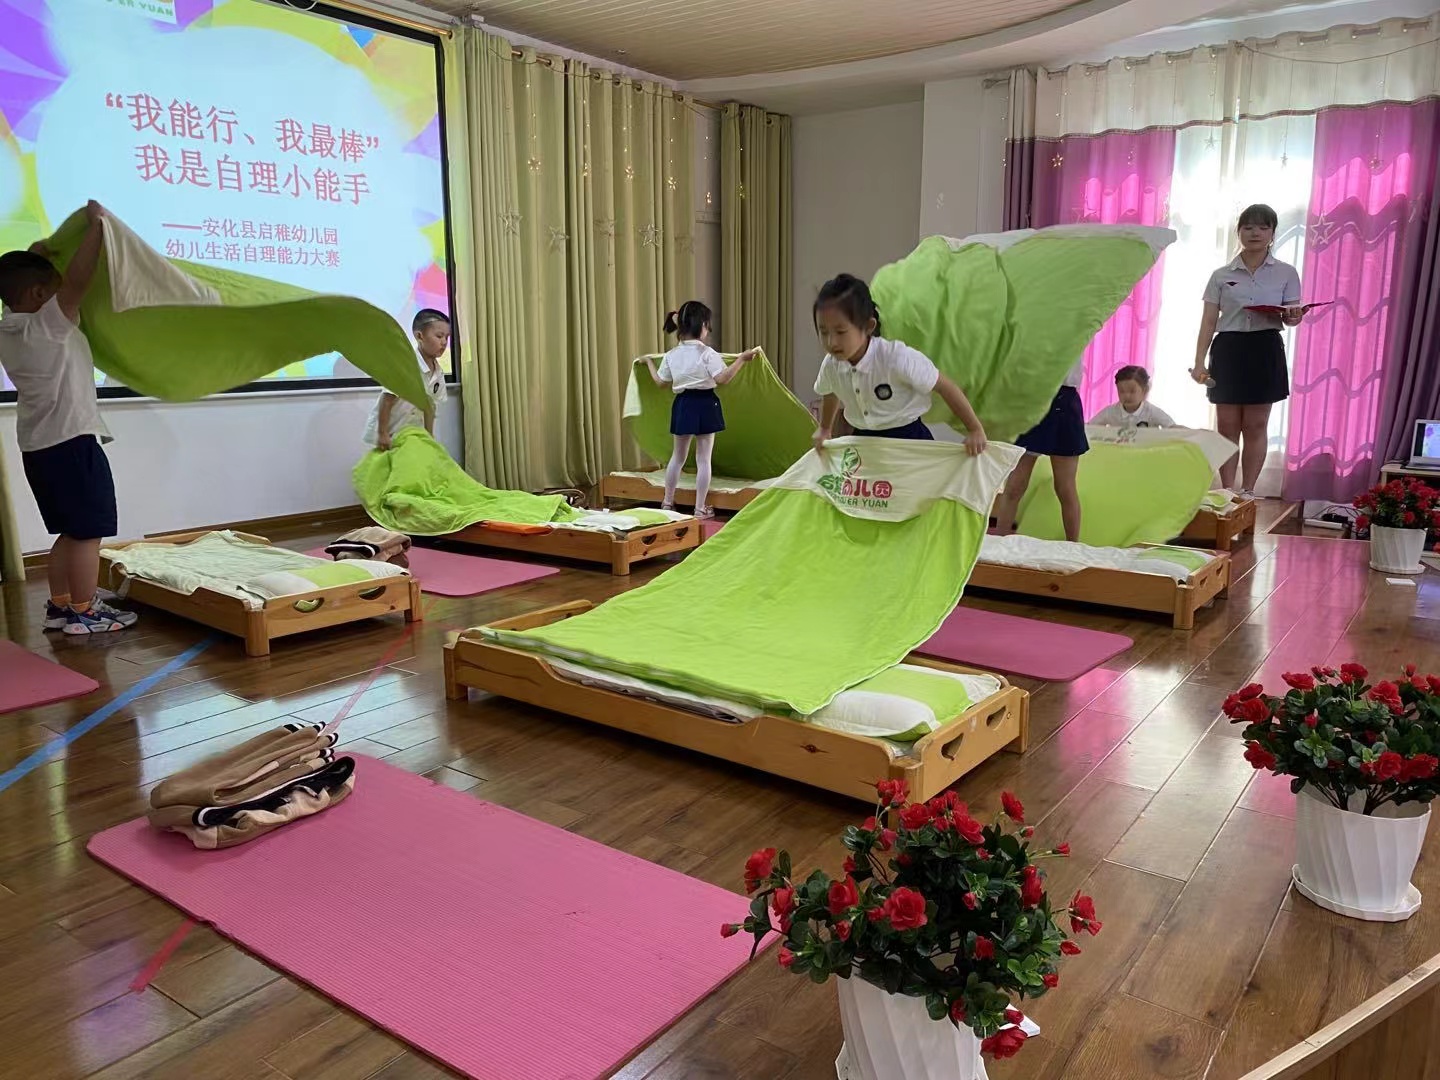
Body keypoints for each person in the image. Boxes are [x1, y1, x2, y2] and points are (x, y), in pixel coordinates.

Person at [0, 200, 138, 634]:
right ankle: (84, 611)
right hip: (73, 442)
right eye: (53, 291)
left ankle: (61, 607)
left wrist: (38, 256)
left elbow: (23, 286)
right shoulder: (49, 325)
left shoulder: (10, 326)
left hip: (38, 449)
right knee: (88, 533)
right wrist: (97, 227)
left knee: (68, 531)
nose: (67, 300)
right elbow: (78, 280)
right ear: (40, 296)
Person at [1190, 203, 1306, 498]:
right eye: (1248, 227)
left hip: (1265, 348)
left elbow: (1291, 317)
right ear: (1238, 231)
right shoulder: (1221, 274)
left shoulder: (1286, 272)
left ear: (1272, 233)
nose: (1255, 233)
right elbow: (1208, 321)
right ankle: (1227, 491)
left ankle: (1249, 491)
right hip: (1229, 349)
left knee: (1255, 424)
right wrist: (1199, 362)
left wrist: (1294, 317)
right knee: (1227, 425)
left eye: (1263, 227)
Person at [810, 274, 987, 454]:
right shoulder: (831, 365)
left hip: (908, 437)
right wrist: (825, 428)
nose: (831, 342)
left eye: (841, 331)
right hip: (864, 439)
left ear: (868, 326)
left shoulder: (896, 358)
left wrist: (975, 429)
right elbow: (830, 391)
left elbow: (945, 386)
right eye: (824, 332)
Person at [643, 300, 757, 519]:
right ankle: (699, 508)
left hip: (683, 404)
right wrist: (742, 359)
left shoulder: (671, 355)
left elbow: (660, 383)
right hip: (705, 404)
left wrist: (648, 362)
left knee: (677, 457)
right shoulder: (707, 353)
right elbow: (723, 378)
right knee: (703, 459)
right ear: (703, 325)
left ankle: (667, 503)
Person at [992, 359, 1089, 543]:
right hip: (1033, 399)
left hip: (1063, 401)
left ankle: (1073, 544)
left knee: (1065, 487)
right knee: (1015, 484)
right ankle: (1000, 540)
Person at [366, 309, 450, 451]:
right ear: (419, 336)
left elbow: (430, 407)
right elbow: (387, 400)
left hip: (413, 434)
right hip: (392, 433)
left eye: (447, 337)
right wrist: (382, 433)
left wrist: (429, 437)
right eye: (439, 336)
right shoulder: (405, 364)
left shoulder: (438, 373)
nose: (444, 342)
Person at [1090, 365, 1175, 430]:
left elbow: (1173, 428)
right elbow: (1089, 427)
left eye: (1132, 391)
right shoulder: (1111, 412)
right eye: (1122, 391)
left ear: (1144, 391)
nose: (1127, 396)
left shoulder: (1152, 412)